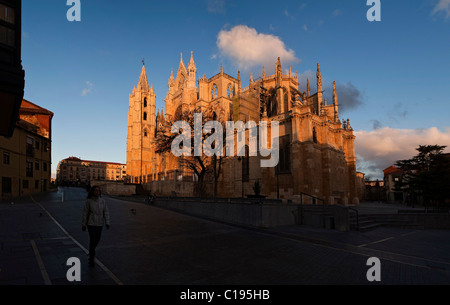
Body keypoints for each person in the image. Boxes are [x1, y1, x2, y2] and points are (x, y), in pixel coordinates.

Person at [82, 186, 110, 267]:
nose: (97, 192)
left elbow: (106, 212)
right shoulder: (89, 201)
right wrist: (84, 224)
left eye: (98, 190)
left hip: (100, 223)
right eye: (96, 190)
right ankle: (91, 257)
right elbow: (85, 213)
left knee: (97, 240)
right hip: (91, 223)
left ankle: (91, 251)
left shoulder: (102, 201)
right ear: (92, 192)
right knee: (93, 239)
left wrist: (107, 222)